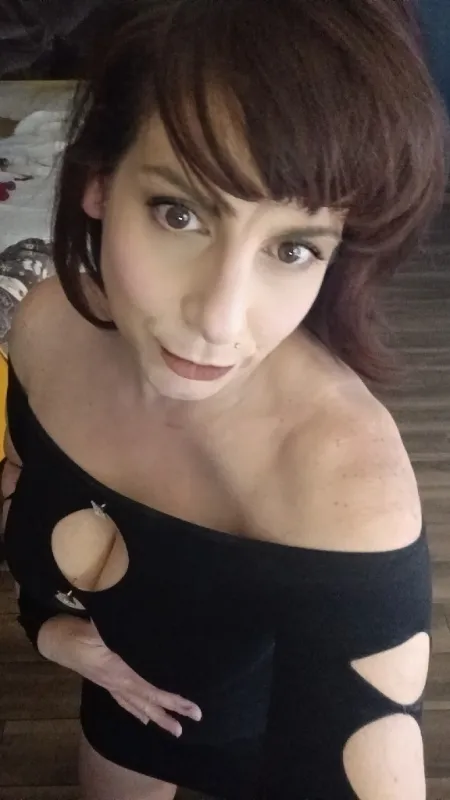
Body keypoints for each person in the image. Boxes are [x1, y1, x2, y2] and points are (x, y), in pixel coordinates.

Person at [1, 1, 447, 798]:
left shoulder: (344, 482)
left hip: (257, 743)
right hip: (120, 710)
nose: (219, 318)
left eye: (293, 247)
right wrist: (55, 634)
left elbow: (372, 743)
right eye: (179, 213)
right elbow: (24, 509)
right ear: (99, 182)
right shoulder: (45, 331)